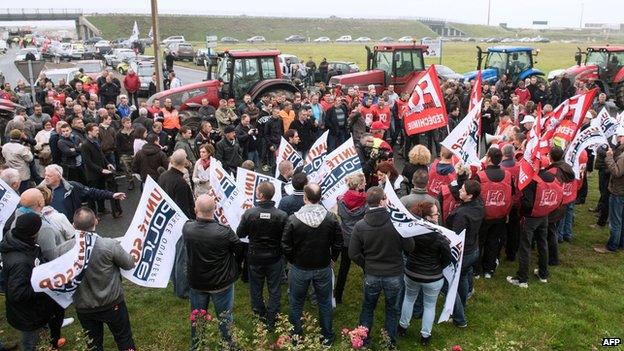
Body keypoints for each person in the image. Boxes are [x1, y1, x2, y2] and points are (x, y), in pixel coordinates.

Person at [349, 186, 415, 348]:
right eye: (386, 198)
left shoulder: (360, 225)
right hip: (394, 274)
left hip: (372, 274)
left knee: (367, 308)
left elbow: (353, 253)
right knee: (392, 310)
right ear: (381, 201)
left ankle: (363, 341)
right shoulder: (396, 223)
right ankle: (389, 343)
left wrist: (366, 265)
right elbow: (410, 247)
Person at [282, 183, 342, 346]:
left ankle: (296, 338)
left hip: (300, 268)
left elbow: (286, 245)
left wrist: (292, 260)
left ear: (305, 198)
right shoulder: (331, 218)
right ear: (320, 197)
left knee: (296, 303)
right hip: (322, 267)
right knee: (324, 302)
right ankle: (327, 337)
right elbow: (338, 243)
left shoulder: (293, 219)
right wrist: (333, 259)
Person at [71, 207, 136, 351]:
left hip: (84, 307)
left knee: (93, 344)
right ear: (96, 221)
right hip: (111, 303)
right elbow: (129, 263)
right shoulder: (109, 245)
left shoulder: (65, 250)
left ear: (74, 226)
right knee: (124, 338)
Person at [183, 195, 242, 348]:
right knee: (224, 318)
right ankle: (228, 346)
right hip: (221, 283)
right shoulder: (225, 232)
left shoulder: (188, 228)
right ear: (215, 209)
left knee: (198, 319)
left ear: (196, 210)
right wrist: (235, 265)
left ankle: (196, 346)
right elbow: (239, 250)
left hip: (197, 283)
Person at [1, 212, 66, 351]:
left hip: (35, 310)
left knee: (41, 336)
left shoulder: (19, 242)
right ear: (33, 231)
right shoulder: (20, 262)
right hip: (28, 315)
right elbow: (17, 294)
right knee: (31, 344)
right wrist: (43, 285)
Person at [398, 201, 451, 346]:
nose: (438, 215)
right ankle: (425, 336)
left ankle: (402, 327)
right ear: (427, 217)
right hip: (433, 277)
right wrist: (438, 267)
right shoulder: (439, 235)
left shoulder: (411, 231)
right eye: (435, 213)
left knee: (409, 299)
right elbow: (447, 256)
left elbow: (406, 249)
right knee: (429, 305)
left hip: (412, 273)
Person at [236, 182, 288, 328]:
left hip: (256, 257)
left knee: (256, 288)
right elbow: (285, 237)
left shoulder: (249, 214)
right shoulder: (282, 215)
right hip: (274, 257)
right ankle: (272, 318)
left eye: (257, 191)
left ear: (261, 195)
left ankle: (260, 316)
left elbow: (240, 233)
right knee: (274, 289)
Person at [507, 165, 562, 288]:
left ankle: (522, 279)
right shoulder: (552, 177)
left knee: (525, 246)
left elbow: (527, 202)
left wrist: (521, 211)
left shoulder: (532, 179)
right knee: (542, 243)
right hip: (545, 214)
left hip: (531, 216)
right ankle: (543, 274)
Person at [447, 180, 484, 327]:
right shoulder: (479, 204)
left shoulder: (461, 214)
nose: (459, 191)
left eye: (462, 190)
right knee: (463, 277)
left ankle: (459, 318)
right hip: (473, 248)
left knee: (450, 284)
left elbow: (455, 235)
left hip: (463, 252)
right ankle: (463, 303)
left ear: (469, 196)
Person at [159, 149, 195, 298]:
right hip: (180, 225)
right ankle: (183, 290)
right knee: (182, 258)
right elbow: (184, 208)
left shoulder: (163, 176)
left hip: (168, 222)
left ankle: (175, 282)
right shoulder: (180, 183)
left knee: (174, 256)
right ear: (184, 162)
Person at [41, 164, 125, 222]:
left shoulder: (72, 186)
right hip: (53, 228)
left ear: (59, 176)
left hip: (71, 226)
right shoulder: (40, 191)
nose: (46, 178)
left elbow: (92, 192)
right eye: (45, 175)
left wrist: (112, 195)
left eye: (49, 176)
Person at [475, 147, 513, 278]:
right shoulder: (508, 175)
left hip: (483, 216)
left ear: (489, 158)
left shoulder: (480, 175)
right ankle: (488, 270)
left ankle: (476, 269)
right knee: (493, 242)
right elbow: (511, 194)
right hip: (500, 215)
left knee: (479, 241)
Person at [335, 173, 367, 304]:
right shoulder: (366, 200)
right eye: (364, 182)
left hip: (346, 238)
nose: (365, 184)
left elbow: (340, 214)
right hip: (361, 238)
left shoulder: (341, 199)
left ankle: (337, 295)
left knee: (344, 266)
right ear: (359, 185)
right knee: (366, 266)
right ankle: (369, 294)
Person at [595, 126, 624, 253]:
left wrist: (609, 158)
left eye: (621, 137)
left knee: (615, 221)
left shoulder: (623, 157)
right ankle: (620, 243)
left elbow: (617, 172)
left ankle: (612, 246)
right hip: (621, 190)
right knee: (621, 219)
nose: (618, 138)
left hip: (618, 191)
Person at [545, 146, 575, 265]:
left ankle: (552, 258)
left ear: (551, 157)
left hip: (554, 205)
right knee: (552, 231)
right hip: (562, 204)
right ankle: (552, 257)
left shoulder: (554, 172)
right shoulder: (567, 167)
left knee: (550, 232)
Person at [81, 123, 118, 216]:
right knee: (92, 195)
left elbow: (101, 155)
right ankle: (93, 214)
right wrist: (101, 169)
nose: (98, 132)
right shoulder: (85, 145)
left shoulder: (96, 141)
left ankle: (102, 209)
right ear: (89, 132)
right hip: (92, 174)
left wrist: (107, 163)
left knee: (101, 191)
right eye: (96, 130)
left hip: (100, 172)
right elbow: (88, 162)